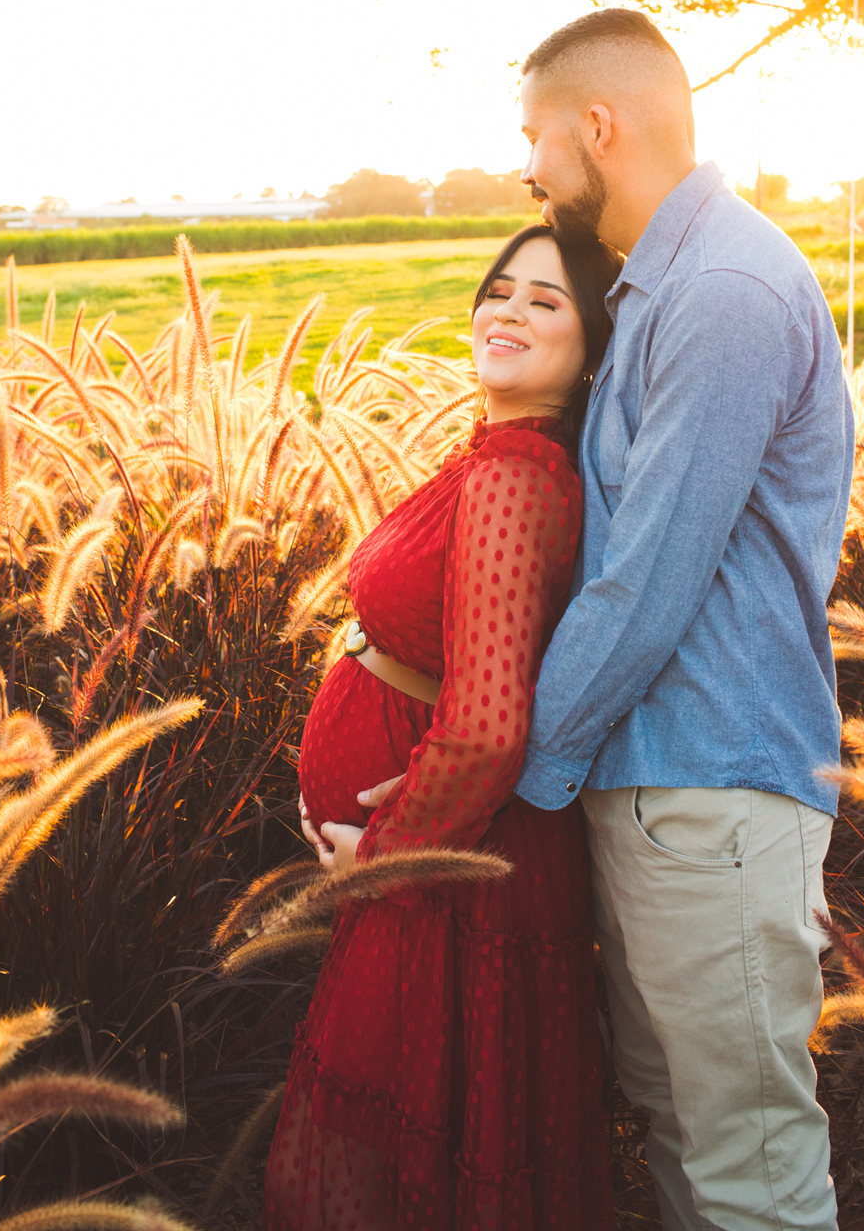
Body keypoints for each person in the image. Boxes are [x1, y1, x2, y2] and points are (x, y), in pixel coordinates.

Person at [515, 8, 853, 1231]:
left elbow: (649, 580)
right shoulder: (660, 289)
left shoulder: (720, 289)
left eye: (537, 140)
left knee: (748, 1175)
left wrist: (523, 765)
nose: (531, 172)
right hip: (661, 790)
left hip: (712, 795)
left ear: (598, 126)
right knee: (679, 1135)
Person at [262, 223, 623, 1231]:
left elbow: (488, 728)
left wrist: (381, 856)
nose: (507, 311)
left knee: (416, 1155)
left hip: (453, 876)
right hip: (447, 862)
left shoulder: (516, 475)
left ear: (593, 347)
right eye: (499, 290)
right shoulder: (498, 458)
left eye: (545, 302)